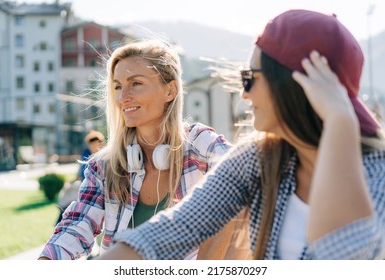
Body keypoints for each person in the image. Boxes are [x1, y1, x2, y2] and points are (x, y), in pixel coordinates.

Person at [96, 9, 385, 260]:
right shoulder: (257, 159)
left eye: (250, 79)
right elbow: (173, 230)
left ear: (296, 85)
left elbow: (340, 255)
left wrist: (339, 122)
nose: (244, 96)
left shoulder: (377, 174)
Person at [38, 39, 233, 260]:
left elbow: (248, 182)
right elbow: (76, 226)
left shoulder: (200, 145)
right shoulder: (104, 165)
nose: (122, 97)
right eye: (118, 86)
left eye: (136, 83)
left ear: (170, 90)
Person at [54, 130, 105, 225]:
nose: (93, 147)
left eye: (95, 144)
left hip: (95, 187)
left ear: (101, 143)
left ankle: (62, 218)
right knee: (68, 188)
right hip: (83, 183)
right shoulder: (86, 154)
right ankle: (61, 214)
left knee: (74, 195)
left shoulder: (104, 156)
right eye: (91, 144)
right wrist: (72, 181)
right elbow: (80, 171)